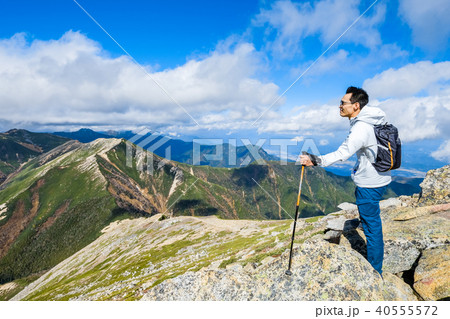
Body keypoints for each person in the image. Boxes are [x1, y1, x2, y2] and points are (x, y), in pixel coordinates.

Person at [300, 86, 391, 276]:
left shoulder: (361, 127)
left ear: (355, 105)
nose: (339, 106)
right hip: (380, 178)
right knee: (371, 220)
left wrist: (315, 160)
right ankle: (375, 263)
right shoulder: (372, 122)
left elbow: (343, 153)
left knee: (372, 228)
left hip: (369, 184)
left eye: (343, 103)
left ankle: (376, 271)